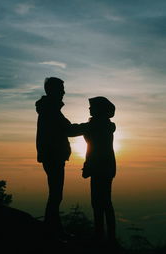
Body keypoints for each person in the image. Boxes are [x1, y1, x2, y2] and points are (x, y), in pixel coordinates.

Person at [35, 77, 79, 239]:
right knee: (56, 193)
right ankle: (52, 228)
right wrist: (91, 127)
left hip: (50, 155)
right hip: (53, 156)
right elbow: (69, 130)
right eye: (61, 89)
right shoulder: (51, 111)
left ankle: (52, 226)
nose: (64, 92)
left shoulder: (49, 109)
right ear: (52, 90)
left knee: (55, 192)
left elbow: (66, 130)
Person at [75, 96, 117, 244]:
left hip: (100, 167)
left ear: (99, 109)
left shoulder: (97, 125)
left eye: (92, 107)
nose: (89, 109)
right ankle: (106, 236)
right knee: (103, 202)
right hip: (105, 166)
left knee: (100, 202)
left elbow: (75, 130)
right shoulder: (104, 125)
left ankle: (102, 236)